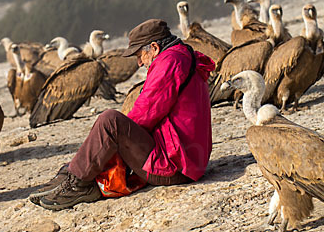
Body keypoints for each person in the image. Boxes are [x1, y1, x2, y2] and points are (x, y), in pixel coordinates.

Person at [31, 18, 215, 210]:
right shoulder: (182, 55)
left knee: (110, 121)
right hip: (188, 159)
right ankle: (73, 175)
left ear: (154, 47)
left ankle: (77, 182)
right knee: (112, 128)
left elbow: (145, 114)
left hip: (176, 166)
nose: (138, 62)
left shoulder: (169, 63)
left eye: (139, 55)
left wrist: (112, 146)